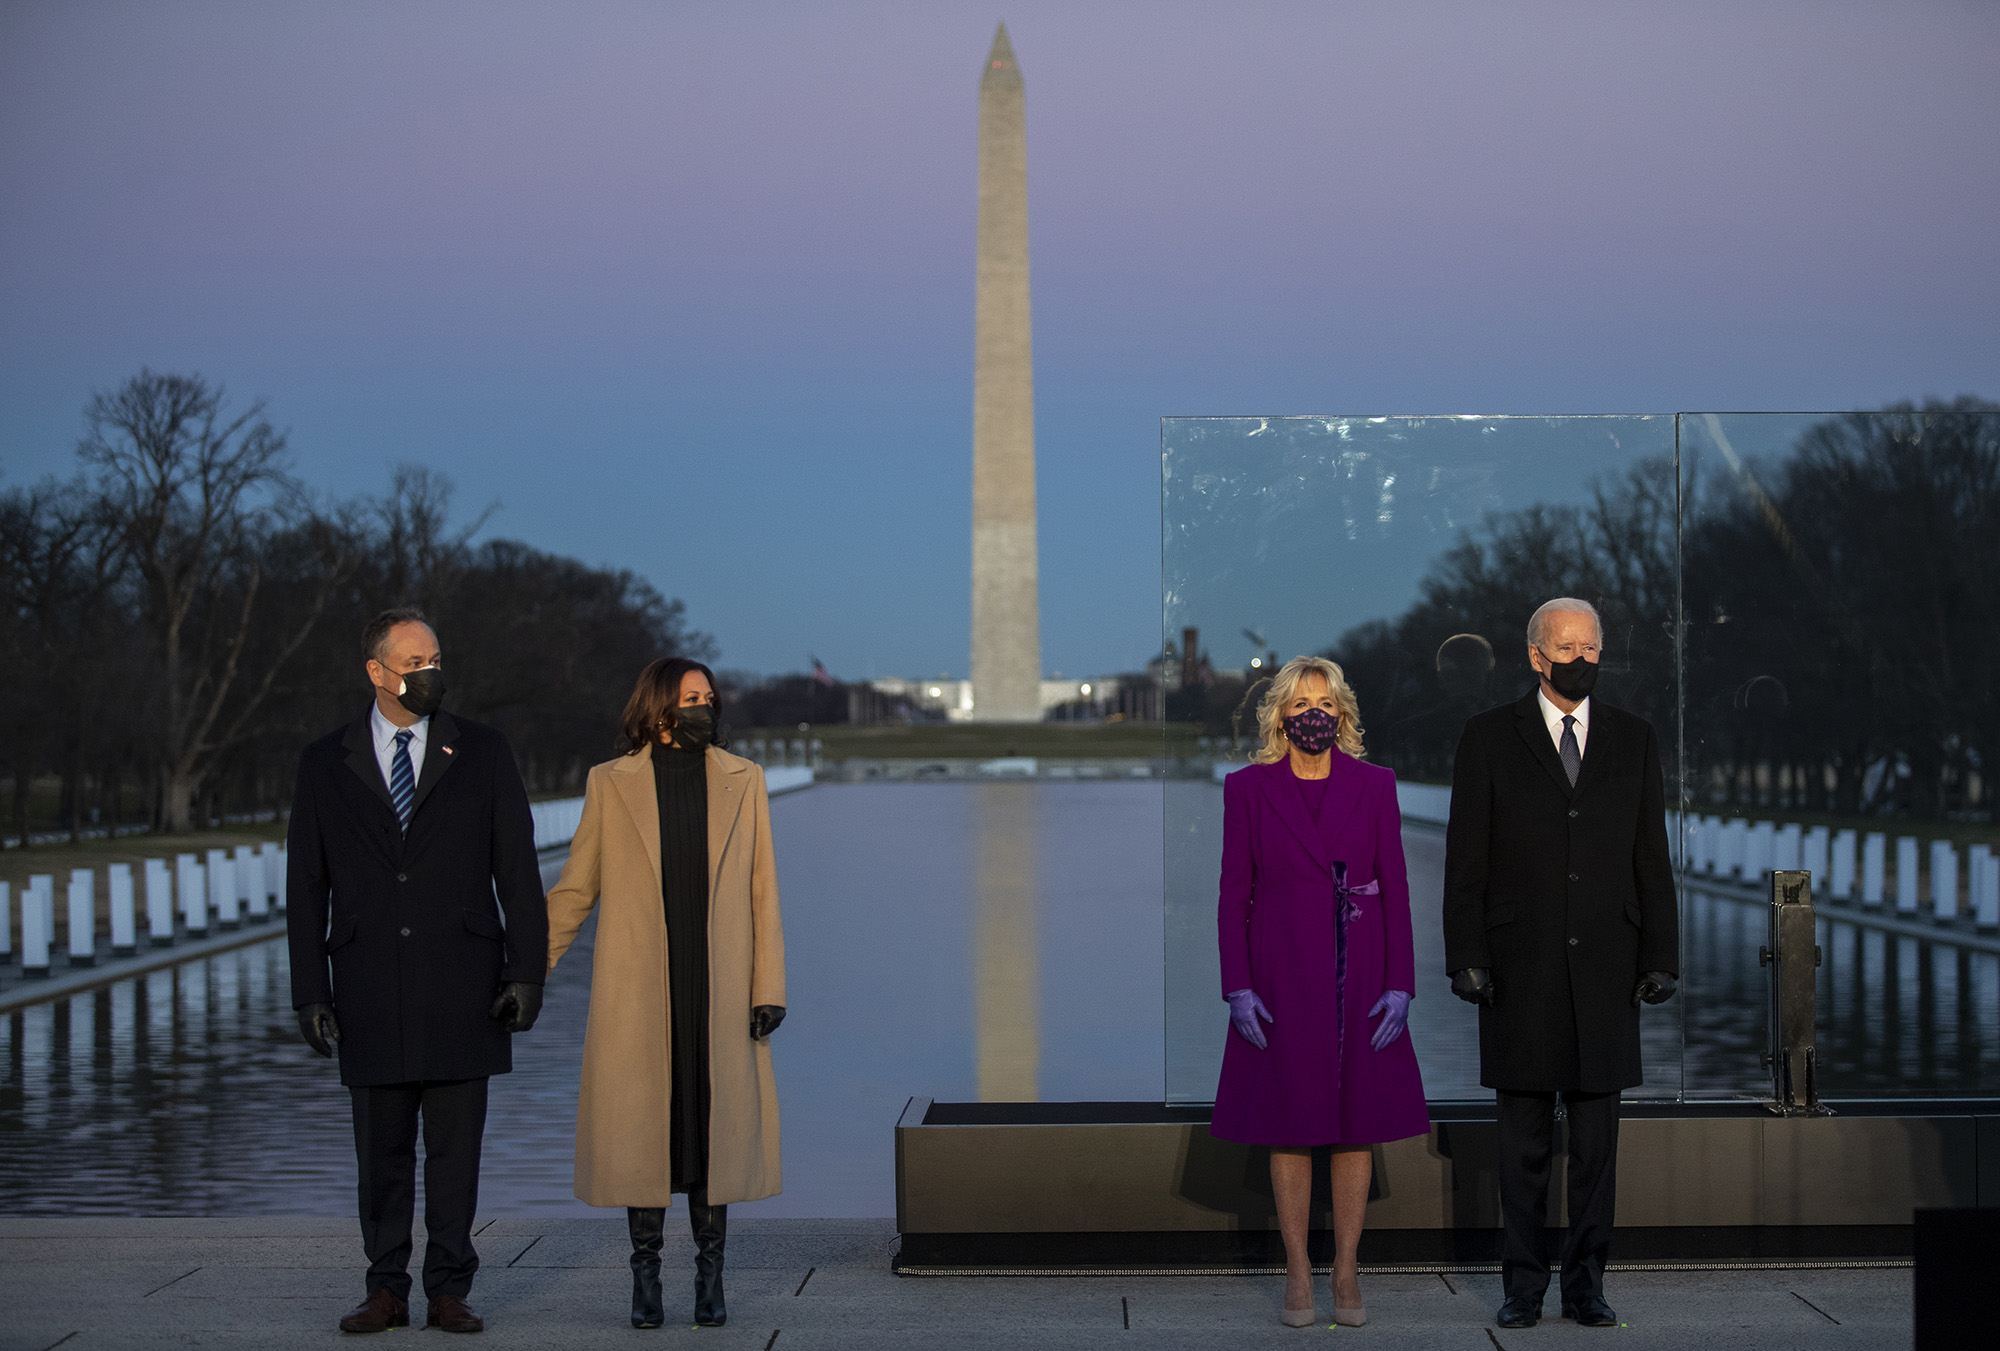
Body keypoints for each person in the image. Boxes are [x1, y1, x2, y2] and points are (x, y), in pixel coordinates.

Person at [287, 607, 548, 1336]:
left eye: (435, 657)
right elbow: (305, 885)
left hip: (463, 979)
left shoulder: (485, 751)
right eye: (414, 660)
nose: (430, 671)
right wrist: (310, 989)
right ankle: (385, 1288)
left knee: (455, 1151)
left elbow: (518, 870)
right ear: (376, 671)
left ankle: (448, 1288)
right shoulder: (323, 762)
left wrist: (527, 972)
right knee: (381, 1152)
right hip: (367, 980)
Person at [1442, 597, 1679, 1330]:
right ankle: (1522, 1287)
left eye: (1593, 646)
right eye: (1567, 646)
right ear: (1536, 654)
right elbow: (1465, 865)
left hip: (1608, 969)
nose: (1583, 658)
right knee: (1522, 1147)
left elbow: (1651, 858)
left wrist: (1661, 954)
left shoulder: (1633, 740)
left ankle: (1586, 1285)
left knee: (1597, 1150)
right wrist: (1467, 957)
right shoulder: (1486, 738)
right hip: (1519, 970)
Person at [545, 657, 786, 1330]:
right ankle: (644, 1278)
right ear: (657, 708)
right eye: (689, 697)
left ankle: (711, 1278)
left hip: (719, 986)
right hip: (639, 991)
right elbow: (576, 888)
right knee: (645, 1137)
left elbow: (763, 892)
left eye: (708, 697)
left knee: (713, 1134)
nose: (702, 707)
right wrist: (525, 968)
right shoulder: (609, 783)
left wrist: (768, 986)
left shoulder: (746, 780)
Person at [1211, 656, 1429, 1329]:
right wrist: (1238, 987)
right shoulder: (1247, 789)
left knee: (1356, 1124)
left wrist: (1400, 985)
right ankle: (1299, 1270)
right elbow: (1231, 895)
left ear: (1342, 712)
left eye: (1326, 702)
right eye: (1302, 702)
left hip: (1358, 970)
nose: (1315, 713)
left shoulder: (1375, 784)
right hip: (1280, 975)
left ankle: (1347, 1269)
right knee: (1289, 1123)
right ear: (1279, 713)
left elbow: (1395, 888)